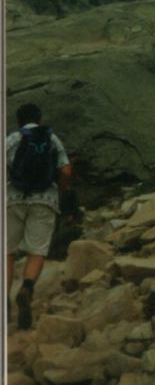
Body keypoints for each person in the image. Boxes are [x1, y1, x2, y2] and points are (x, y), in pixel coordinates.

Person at [6, 103, 72, 329]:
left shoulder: (12, 139)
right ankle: (26, 288)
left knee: (7, 252)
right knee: (37, 250)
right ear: (39, 118)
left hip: (13, 199)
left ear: (19, 121)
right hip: (45, 200)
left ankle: (4, 302)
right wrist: (60, 191)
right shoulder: (51, 139)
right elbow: (66, 171)